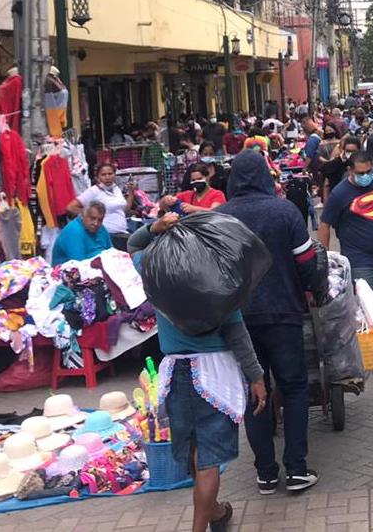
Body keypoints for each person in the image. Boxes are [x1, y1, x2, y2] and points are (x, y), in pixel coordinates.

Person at [127, 213, 267, 532]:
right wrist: (256, 376)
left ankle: (215, 512)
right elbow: (237, 333)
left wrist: (155, 227)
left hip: (176, 372)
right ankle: (201, 525)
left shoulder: (155, 269)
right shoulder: (217, 278)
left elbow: (132, 245)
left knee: (194, 452)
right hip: (214, 376)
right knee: (209, 460)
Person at [217, 151, 328, 494]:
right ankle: (296, 469)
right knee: (293, 387)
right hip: (283, 312)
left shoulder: (220, 217)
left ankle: (265, 472)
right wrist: (314, 290)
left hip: (238, 320)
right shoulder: (284, 211)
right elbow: (307, 261)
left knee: (255, 390)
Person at [318, 151, 373, 299]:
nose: (365, 176)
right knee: (368, 303)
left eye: (369, 171)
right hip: (359, 260)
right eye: (360, 173)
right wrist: (326, 259)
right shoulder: (339, 193)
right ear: (350, 170)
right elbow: (325, 225)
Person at [67, 163, 135, 250]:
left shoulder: (116, 189)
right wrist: (91, 216)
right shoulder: (93, 191)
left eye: (110, 174)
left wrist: (131, 193)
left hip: (121, 234)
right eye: (103, 175)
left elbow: (124, 210)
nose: (107, 177)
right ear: (97, 177)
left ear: (114, 175)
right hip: (105, 235)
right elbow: (71, 207)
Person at [160, 163, 225, 214]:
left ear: (207, 177)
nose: (196, 182)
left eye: (199, 178)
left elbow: (215, 211)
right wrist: (166, 200)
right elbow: (162, 206)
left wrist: (194, 209)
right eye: (193, 180)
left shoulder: (217, 194)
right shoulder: (187, 195)